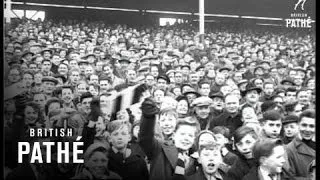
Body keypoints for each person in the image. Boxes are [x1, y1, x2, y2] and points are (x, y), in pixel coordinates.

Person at [139, 98, 198, 180]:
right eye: (182, 134)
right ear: (174, 135)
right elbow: (145, 138)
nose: (186, 138)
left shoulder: (195, 161)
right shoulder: (160, 148)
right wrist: (148, 117)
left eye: (190, 135)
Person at [286, 109, 315, 179]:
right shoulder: (290, 149)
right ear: (298, 125)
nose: (307, 129)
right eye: (304, 125)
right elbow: (288, 177)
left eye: (312, 126)